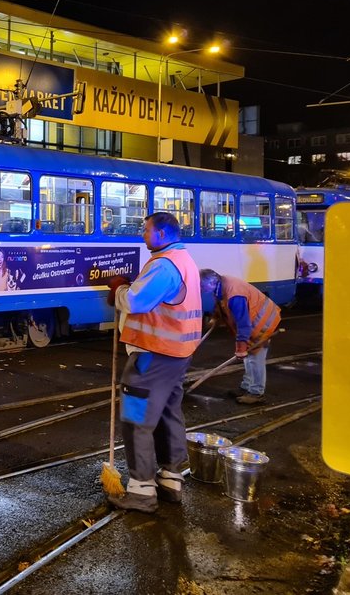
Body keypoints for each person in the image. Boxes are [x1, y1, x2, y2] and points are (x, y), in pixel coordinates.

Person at [105, 211, 203, 513]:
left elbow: (135, 301)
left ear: (161, 233)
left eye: (145, 230)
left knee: (137, 418)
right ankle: (171, 479)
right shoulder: (184, 260)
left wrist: (118, 290)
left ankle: (141, 490)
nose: (142, 234)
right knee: (167, 413)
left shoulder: (164, 265)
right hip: (176, 354)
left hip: (152, 355)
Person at [199, 268, 281, 405]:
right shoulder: (221, 284)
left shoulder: (235, 294)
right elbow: (221, 302)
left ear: (211, 282)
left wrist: (241, 346)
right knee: (248, 358)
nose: (201, 289)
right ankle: (246, 387)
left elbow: (243, 323)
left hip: (262, 324)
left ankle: (256, 393)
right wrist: (216, 317)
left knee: (255, 359)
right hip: (252, 322)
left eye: (202, 286)